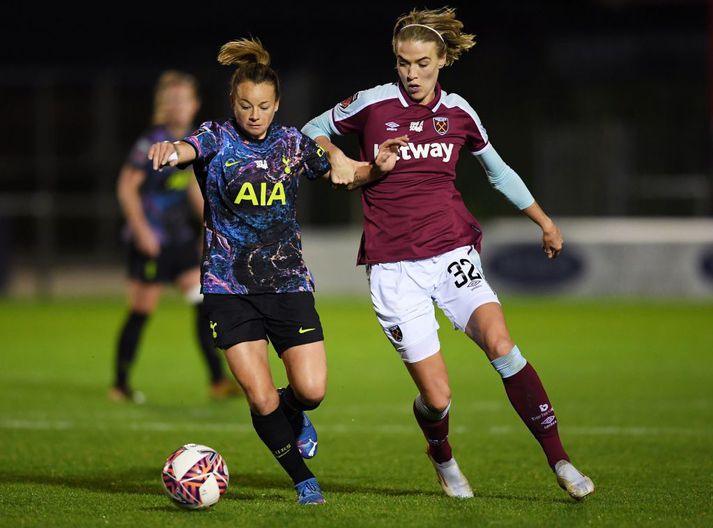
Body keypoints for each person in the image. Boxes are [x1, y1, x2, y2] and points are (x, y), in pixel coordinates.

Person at [302, 7, 595, 501]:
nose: (411, 74)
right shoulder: (372, 104)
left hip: (453, 253)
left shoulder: (459, 112)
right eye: (402, 63)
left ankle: (560, 461)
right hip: (394, 268)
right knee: (437, 398)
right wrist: (339, 157)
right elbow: (310, 128)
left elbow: (497, 172)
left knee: (502, 345)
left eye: (421, 63)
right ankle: (441, 453)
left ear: (441, 62)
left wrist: (544, 222)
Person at [149, 38, 401, 504]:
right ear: (233, 103)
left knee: (311, 389)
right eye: (245, 105)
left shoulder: (291, 144)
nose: (254, 114)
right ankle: (303, 479)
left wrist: (377, 167)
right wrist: (170, 149)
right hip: (228, 288)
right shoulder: (215, 138)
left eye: (263, 106)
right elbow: (186, 148)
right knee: (260, 396)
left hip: (287, 283)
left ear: (276, 104)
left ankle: (297, 413)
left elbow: (345, 175)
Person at [113, 70, 241, 403]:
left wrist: (210, 233)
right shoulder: (150, 143)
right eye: (172, 100)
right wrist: (141, 231)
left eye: (184, 99)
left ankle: (216, 380)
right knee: (142, 310)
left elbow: (193, 194)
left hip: (178, 239)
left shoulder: (190, 143)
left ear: (194, 104)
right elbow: (126, 187)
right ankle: (120, 384)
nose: (178, 106)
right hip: (151, 240)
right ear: (163, 105)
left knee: (203, 302)